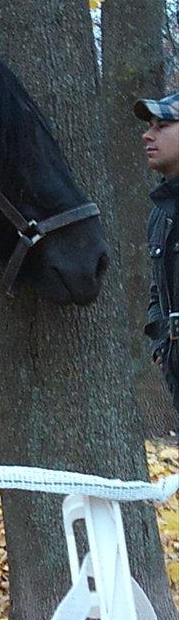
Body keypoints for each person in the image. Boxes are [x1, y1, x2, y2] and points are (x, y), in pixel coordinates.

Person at [134, 91, 179, 417]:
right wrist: (161, 346)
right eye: (150, 126)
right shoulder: (161, 213)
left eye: (162, 126)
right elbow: (157, 290)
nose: (148, 135)